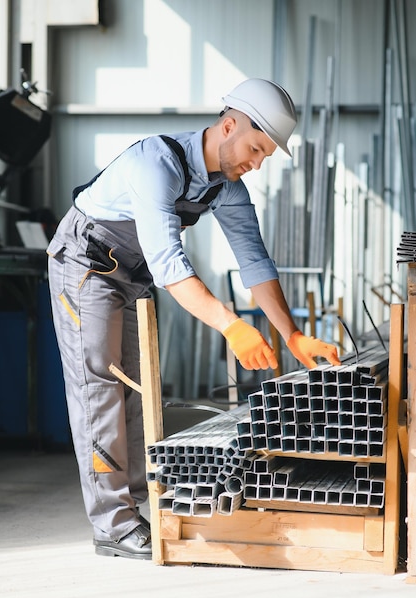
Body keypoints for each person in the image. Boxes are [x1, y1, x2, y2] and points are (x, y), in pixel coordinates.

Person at [47, 78, 340, 560]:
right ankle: (112, 525)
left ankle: (145, 504)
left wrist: (292, 335)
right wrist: (231, 325)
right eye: (255, 148)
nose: (257, 162)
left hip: (132, 273)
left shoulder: (226, 188)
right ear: (228, 126)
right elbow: (170, 266)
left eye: (265, 154)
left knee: (138, 391)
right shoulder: (154, 164)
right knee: (99, 387)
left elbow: (256, 263)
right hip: (86, 264)